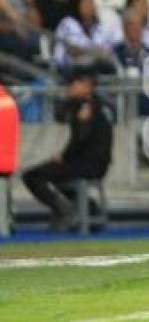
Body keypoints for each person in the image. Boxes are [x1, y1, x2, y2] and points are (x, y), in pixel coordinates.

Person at [22, 70, 113, 232]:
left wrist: (64, 156)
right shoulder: (91, 104)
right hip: (93, 162)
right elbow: (61, 116)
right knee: (55, 176)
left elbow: (80, 138)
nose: (69, 87)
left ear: (86, 86)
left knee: (32, 176)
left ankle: (63, 211)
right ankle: (90, 209)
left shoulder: (88, 107)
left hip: (87, 163)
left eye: (73, 84)